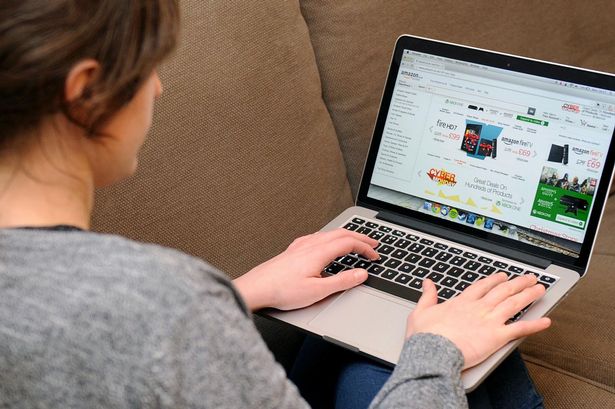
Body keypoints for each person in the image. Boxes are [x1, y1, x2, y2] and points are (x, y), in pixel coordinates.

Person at [0, 1, 551, 408]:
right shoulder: (166, 301)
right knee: (465, 350)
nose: (160, 88)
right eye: (148, 66)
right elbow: (142, 327)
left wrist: (242, 292)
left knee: (347, 338)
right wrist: (436, 351)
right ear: (86, 93)